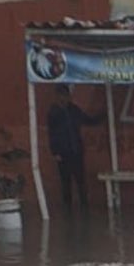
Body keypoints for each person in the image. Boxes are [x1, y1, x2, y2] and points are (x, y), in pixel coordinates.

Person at [46, 83, 103, 214]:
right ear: (57, 96)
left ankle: (84, 208)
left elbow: (88, 120)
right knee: (66, 183)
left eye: (65, 95)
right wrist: (55, 152)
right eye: (61, 95)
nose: (63, 98)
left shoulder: (74, 110)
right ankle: (68, 210)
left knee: (81, 181)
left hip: (76, 151)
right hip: (62, 153)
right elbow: (52, 134)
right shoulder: (53, 113)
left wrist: (102, 116)